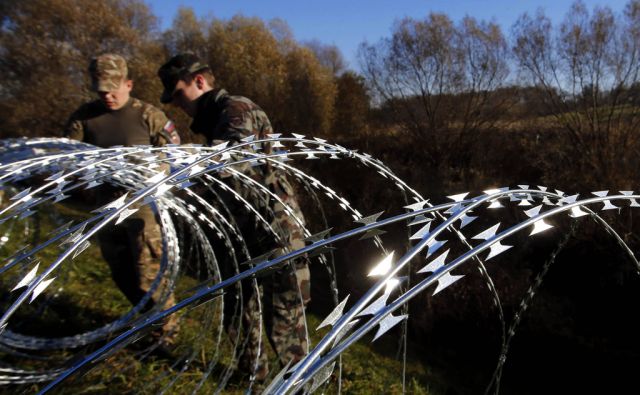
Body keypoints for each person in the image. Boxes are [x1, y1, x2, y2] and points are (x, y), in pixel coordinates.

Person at [157, 53, 310, 380]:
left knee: (284, 318)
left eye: (179, 94)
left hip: (275, 227)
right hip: (239, 229)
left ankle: (297, 384)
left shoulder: (236, 110)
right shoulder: (214, 119)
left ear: (199, 82)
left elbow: (231, 160)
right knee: (238, 309)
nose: (178, 105)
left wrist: (180, 168)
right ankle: (253, 379)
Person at [64, 54, 181, 348]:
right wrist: (83, 181)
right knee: (121, 271)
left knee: (149, 274)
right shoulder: (84, 118)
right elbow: (68, 157)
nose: (108, 96)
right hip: (105, 207)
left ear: (128, 84)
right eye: (101, 90)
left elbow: (174, 152)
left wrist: (152, 177)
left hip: (144, 207)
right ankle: (144, 320)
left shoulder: (148, 115)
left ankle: (166, 330)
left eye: (113, 89)